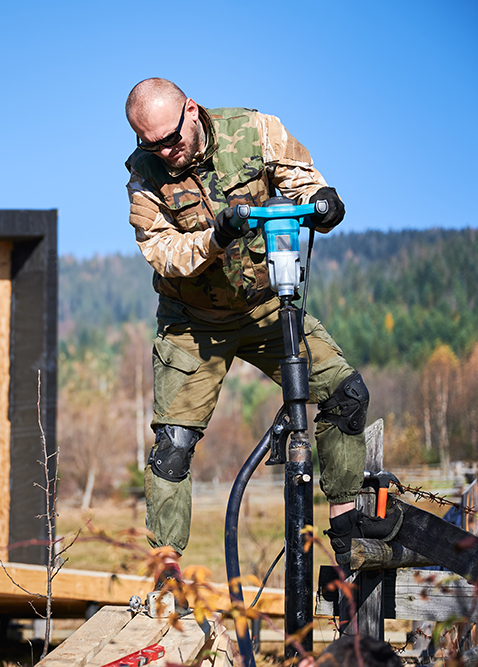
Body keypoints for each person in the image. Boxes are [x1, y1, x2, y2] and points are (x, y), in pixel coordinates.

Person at [123, 78, 401, 590]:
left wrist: (323, 199)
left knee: (345, 393)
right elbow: (165, 254)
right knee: (172, 446)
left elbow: (302, 177)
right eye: (151, 143)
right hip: (193, 323)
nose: (166, 151)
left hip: (267, 308)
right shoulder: (143, 180)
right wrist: (216, 235)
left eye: (170, 138)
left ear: (191, 110)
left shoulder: (254, 131)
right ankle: (167, 579)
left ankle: (346, 533)